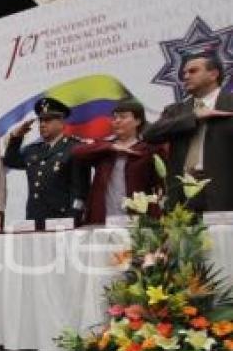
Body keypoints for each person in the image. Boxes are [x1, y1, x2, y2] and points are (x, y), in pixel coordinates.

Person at [143, 52, 233, 211]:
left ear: (213, 74)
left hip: (224, 194)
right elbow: (149, 134)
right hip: (181, 196)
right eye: (184, 72)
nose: (185, 76)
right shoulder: (176, 110)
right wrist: (194, 117)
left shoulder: (230, 104)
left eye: (193, 71)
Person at [72, 99, 167, 224]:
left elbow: (161, 183)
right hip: (103, 218)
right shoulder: (104, 147)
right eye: (115, 117)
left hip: (137, 219)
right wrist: (111, 147)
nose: (116, 121)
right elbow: (77, 152)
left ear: (138, 121)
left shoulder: (149, 149)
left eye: (123, 117)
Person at [4, 97, 90, 230]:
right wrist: (16, 137)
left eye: (48, 120)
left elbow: (80, 191)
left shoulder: (74, 148)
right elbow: (10, 161)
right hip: (35, 218)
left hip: (62, 219)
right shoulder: (34, 150)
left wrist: (73, 219)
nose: (42, 124)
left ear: (61, 123)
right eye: (41, 120)